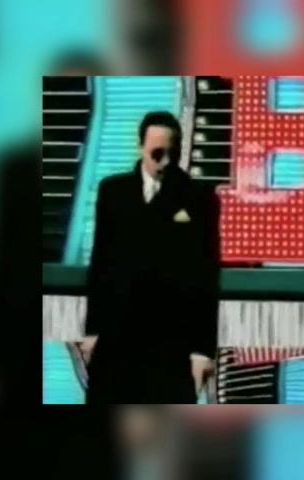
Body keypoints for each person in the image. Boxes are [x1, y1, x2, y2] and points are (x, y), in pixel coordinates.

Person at [81, 111, 220, 404]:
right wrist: (92, 330)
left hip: (172, 340)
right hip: (117, 334)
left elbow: (205, 274)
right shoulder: (113, 191)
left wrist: (202, 349)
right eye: (157, 153)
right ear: (140, 147)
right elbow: (101, 263)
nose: (166, 162)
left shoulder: (198, 197)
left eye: (173, 154)